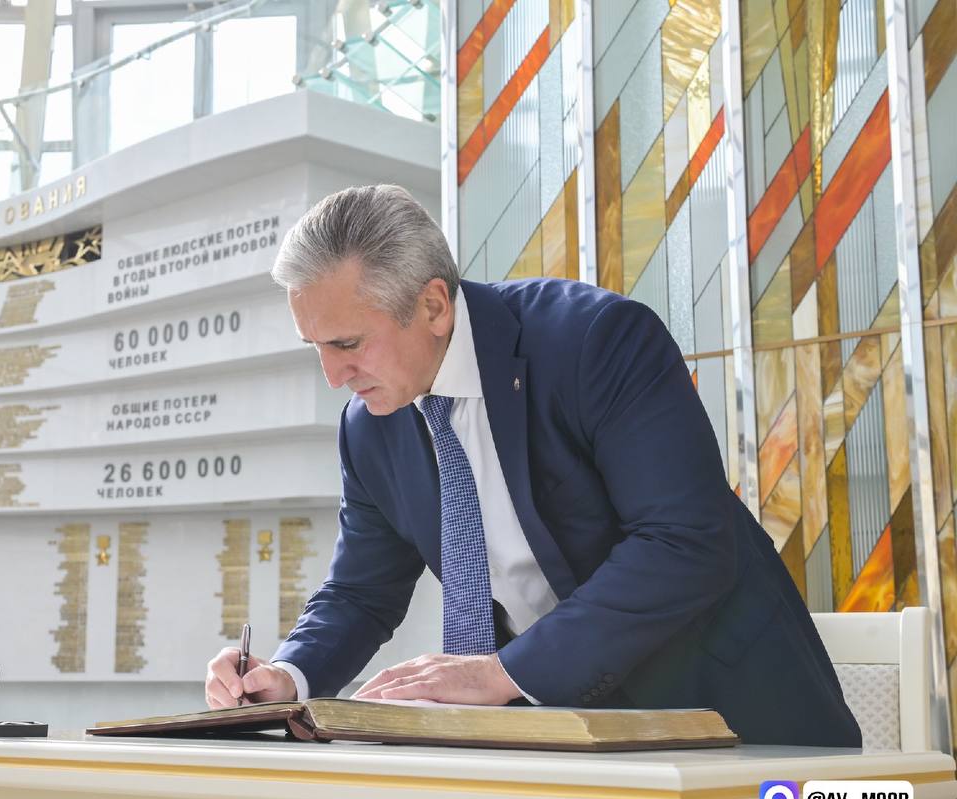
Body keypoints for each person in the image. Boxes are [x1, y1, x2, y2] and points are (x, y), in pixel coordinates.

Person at [204, 184, 860, 746]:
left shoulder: (595, 341)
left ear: (433, 305)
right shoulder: (369, 427)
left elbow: (684, 542)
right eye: (316, 347)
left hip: (742, 728)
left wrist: (500, 673)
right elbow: (360, 592)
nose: (333, 375)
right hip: (556, 748)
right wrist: (286, 676)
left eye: (347, 343)